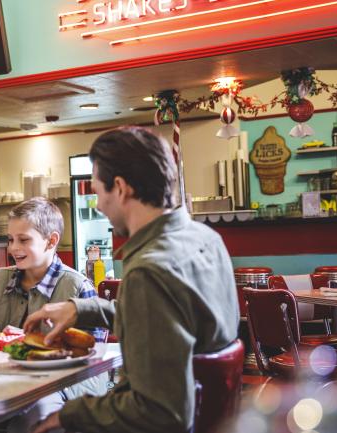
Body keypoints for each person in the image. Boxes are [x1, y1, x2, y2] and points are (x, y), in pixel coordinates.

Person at [25, 126, 239, 433]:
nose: (98, 205)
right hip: (213, 422)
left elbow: (158, 413)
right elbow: (169, 323)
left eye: (98, 192)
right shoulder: (206, 238)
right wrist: (81, 310)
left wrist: (68, 415)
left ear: (121, 188)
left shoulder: (148, 272)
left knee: (38, 418)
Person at [0, 197, 107, 433]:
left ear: (51, 241)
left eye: (24, 240)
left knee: (32, 418)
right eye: (10, 239)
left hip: (62, 388)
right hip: (5, 384)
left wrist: (31, 344)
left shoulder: (77, 287)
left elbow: (93, 360)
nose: (13, 248)